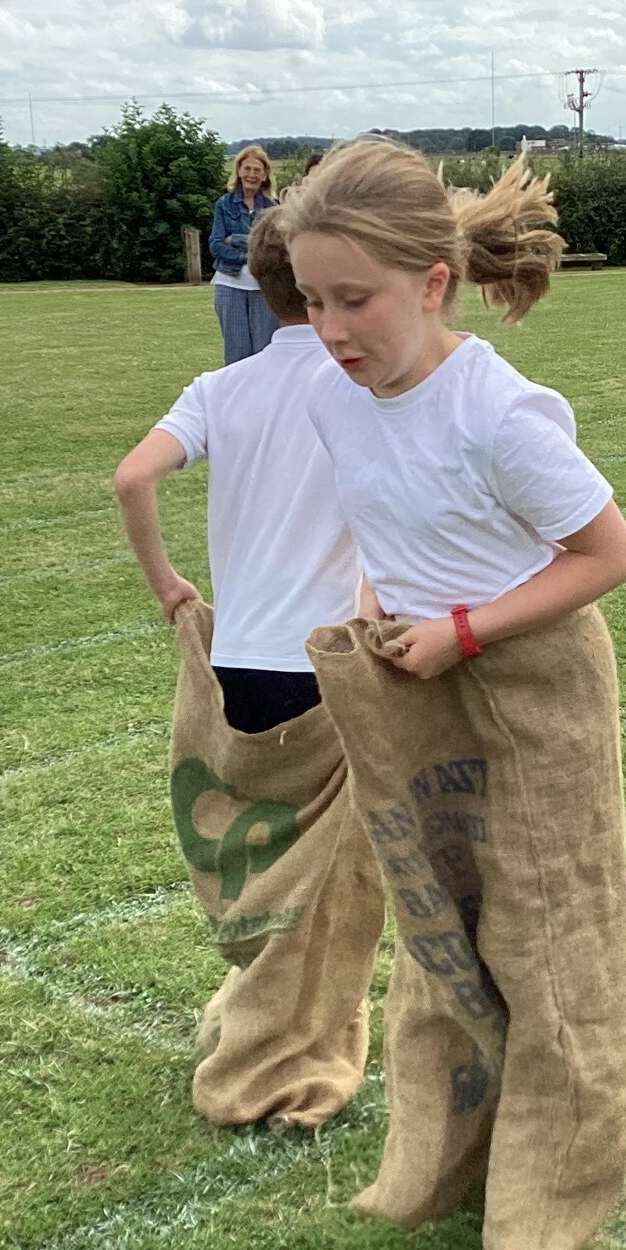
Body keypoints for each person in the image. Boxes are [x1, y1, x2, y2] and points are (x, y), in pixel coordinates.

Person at [278, 140, 626, 1250]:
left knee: (548, 943)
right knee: (438, 933)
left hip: (533, 685)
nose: (331, 328)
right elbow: (386, 526)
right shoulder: (335, 402)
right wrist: (386, 611)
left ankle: (544, 1206)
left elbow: (605, 556)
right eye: (313, 299)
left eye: (356, 300)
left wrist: (467, 630)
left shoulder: (500, 415)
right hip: (417, 678)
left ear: (432, 283)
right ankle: (429, 1164)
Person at [115, 211, 382, 1130]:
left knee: (263, 861)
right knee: (328, 878)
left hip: (238, 661)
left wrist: (167, 586)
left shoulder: (221, 387)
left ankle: (268, 1011)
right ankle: (287, 1044)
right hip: (334, 658)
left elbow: (131, 477)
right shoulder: (360, 384)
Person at [210, 145, 281, 365]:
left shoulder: (273, 208)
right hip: (229, 284)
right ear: (239, 171)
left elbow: (273, 247)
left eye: (257, 170)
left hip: (263, 286)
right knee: (237, 353)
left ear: (265, 174)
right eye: (247, 168)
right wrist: (250, 255)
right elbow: (216, 246)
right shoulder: (224, 204)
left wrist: (237, 239)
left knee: (263, 350)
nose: (251, 174)